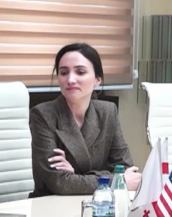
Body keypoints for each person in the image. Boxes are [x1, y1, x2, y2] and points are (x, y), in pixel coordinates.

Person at [30, 43, 140, 196]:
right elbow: (60, 183)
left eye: (80, 72)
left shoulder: (108, 112)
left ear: (97, 79)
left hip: (100, 202)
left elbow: (127, 169)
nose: (70, 79)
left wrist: (75, 175)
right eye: (64, 72)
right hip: (52, 203)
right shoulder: (43, 115)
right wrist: (113, 180)